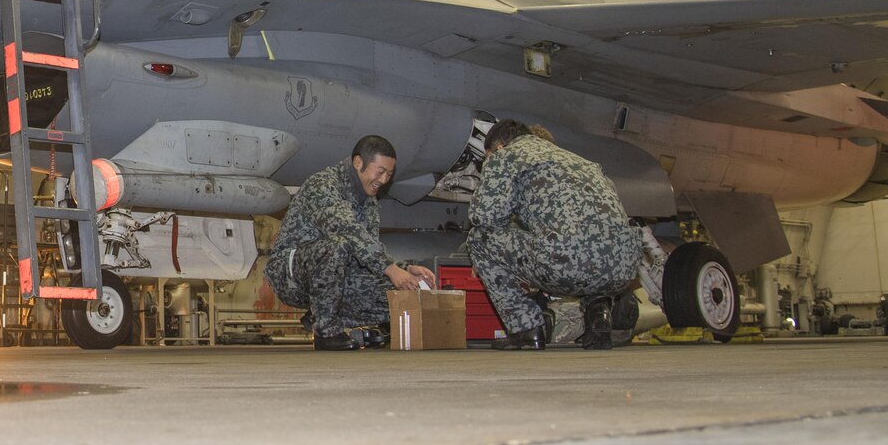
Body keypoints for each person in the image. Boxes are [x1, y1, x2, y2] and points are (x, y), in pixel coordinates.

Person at [467, 119, 644, 350]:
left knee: (479, 238)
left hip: (566, 264)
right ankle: (598, 314)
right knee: (592, 244)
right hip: (623, 268)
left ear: (498, 148)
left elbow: (484, 217)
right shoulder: (580, 161)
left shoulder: (505, 157)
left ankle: (526, 328)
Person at [266, 134, 437, 350]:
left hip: (337, 275)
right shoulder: (324, 185)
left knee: (401, 293)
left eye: (389, 174)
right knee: (337, 245)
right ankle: (326, 332)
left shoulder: (369, 202)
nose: (383, 180)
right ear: (358, 163)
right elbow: (349, 231)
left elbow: (366, 253)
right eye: (380, 172)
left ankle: (323, 311)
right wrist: (392, 269)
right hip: (290, 276)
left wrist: (406, 269)